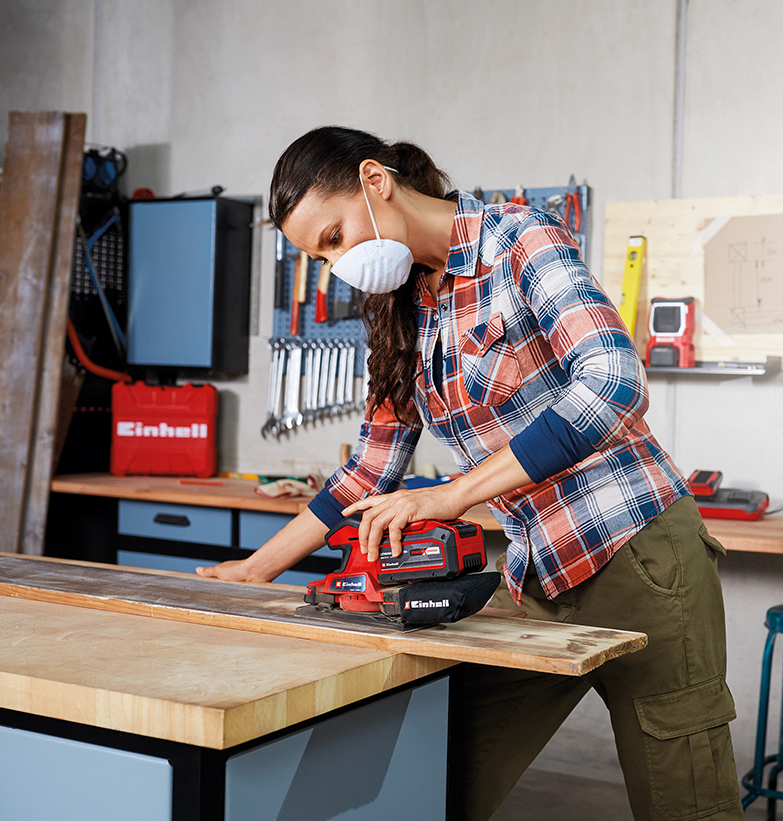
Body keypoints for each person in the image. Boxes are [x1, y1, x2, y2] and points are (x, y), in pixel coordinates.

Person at [197, 127, 743, 821]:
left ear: (376, 181)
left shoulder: (520, 242)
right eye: (317, 255)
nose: (336, 264)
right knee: (437, 773)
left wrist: (453, 495)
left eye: (334, 237)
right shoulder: (402, 306)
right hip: (541, 575)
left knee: (686, 804)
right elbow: (372, 465)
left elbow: (612, 380)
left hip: (643, 558)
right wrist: (257, 568)